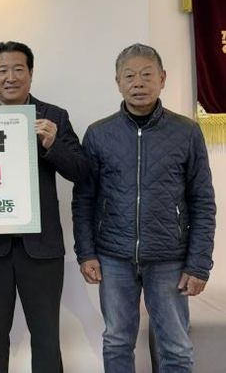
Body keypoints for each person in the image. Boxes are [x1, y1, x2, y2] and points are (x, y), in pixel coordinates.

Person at [72, 43, 216, 373]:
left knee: (176, 347)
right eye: (130, 76)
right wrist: (86, 253)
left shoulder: (186, 132)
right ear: (118, 82)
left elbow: (202, 201)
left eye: (147, 75)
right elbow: (84, 200)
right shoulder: (99, 134)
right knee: (117, 341)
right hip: (113, 257)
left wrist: (198, 264)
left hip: (169, 258)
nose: (138, 82)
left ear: (162, 78)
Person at [0, 41, 87, 372]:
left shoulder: (54, 116)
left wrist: (52, 145)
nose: (10, 77)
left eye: (18, 69)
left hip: (42, 247)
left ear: (31, 73)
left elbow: (81, 171)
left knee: (46, 336)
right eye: (2, 70)